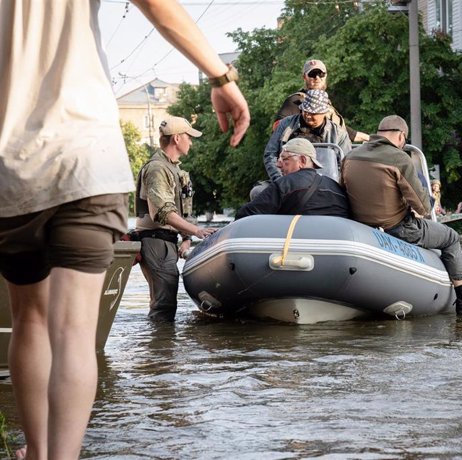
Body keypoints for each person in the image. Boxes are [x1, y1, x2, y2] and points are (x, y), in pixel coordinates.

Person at [0, 0, 250, 458]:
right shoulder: (158, 169)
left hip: (12, 166)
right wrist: (220, 77)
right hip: (87, 161)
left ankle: (36, 452)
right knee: (75, 330)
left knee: (29, 320)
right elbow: (159, 7)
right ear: (175, 138)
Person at [341, 115, 462, 314]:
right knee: (451, 237)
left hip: (360, 229)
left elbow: (342, 190)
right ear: (401, 136)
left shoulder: (350, 156)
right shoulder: (398, 158)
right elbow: (423, 207)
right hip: (397, 229)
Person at [134, 117, 218, 321]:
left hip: (166, 242)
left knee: (167, 301)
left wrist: (186, 237)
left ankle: (163, 348)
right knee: (164, 304)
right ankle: (161, 350)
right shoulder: (157, 169)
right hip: (156, 241)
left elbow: (179, 209)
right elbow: (162, 211)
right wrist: (195, 231)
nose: (191, 142)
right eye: (189, 137)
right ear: (177, 138)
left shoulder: (173, 168)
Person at [236, 138, 349, 219]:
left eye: (285, 160)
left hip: (294, 246)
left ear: (303, 160)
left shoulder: (286, 184)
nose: (278, 165)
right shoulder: (336, 189)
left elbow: (247, 213)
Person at [264, 89, 352, 183]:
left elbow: (347, 164)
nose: (308, 115)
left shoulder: (339, 134)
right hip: (287, 180)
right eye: (305, 111)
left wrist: (333, 184)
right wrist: (279, 180)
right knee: (257, 192)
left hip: (324, 183)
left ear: (324, 113)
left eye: (313, 113)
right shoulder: (285, 124)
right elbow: (270, 155)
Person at [274, 59, 369, 143]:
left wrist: (369, 138)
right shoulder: (296, 100)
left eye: (321, 74)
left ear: (326, 76)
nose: (317, 78)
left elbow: (341, 130)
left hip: (330, 155)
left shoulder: (325, 102)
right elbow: (277, 129)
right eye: (312, 74)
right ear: (304, 77)